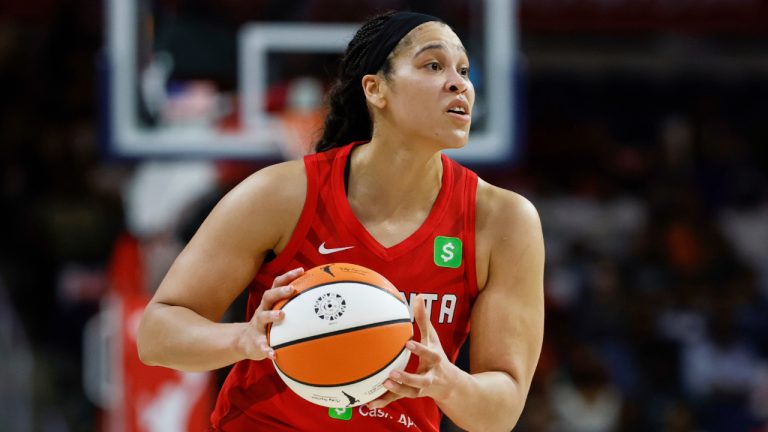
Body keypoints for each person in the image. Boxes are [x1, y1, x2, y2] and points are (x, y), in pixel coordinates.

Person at [137, 11, 544, 431]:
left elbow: (501, 411)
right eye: (433, 65)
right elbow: (157, 335)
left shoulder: (504, 221)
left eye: (464, 70)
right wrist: (243, 338)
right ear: (376, 89)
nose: (460, 83)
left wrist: (446, 381)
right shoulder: (282, 194)